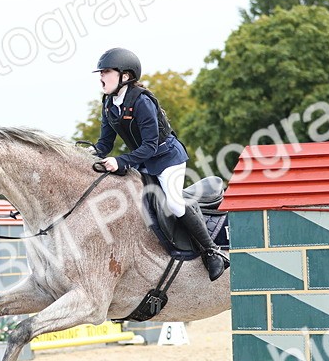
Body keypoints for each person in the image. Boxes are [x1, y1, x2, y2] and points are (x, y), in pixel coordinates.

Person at [91, 47, 228, 280]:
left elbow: (150, 145)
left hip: (167, 160)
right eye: (101, 72)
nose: (101, 77)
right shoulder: (108, 103)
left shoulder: (142, 102)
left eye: (106, 72)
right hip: (143, 161)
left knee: (174, 203)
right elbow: (105, 143)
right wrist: (89, 154)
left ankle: (212, 253)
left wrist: (121, 161)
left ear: (125, 76)